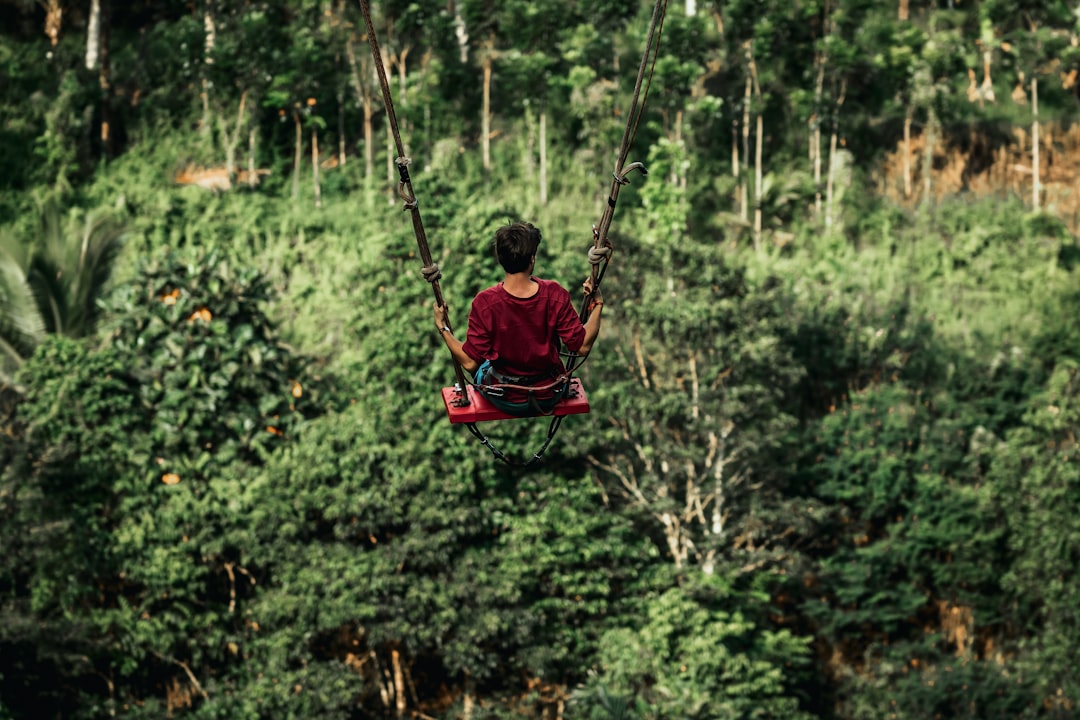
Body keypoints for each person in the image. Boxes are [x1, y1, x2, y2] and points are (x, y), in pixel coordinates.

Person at [433, 221, 603, 413]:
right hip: (548, 393)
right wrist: (597, 305)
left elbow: (469, 362)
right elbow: (582, 346)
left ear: (501, 259)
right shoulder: (555, 294)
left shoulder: (485, 303)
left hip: (506, 398)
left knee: (483, 365)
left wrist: (442, 327)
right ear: (532, 259)